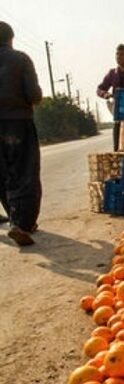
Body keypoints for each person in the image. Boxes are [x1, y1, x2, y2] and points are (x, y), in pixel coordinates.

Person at [0, 21, 43, 246]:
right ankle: (23, 223)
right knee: (24, 172)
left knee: (3, 173)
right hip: (17, 123)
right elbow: (33, 94)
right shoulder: (21, 59)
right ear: (11, 39)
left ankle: (15, 219)